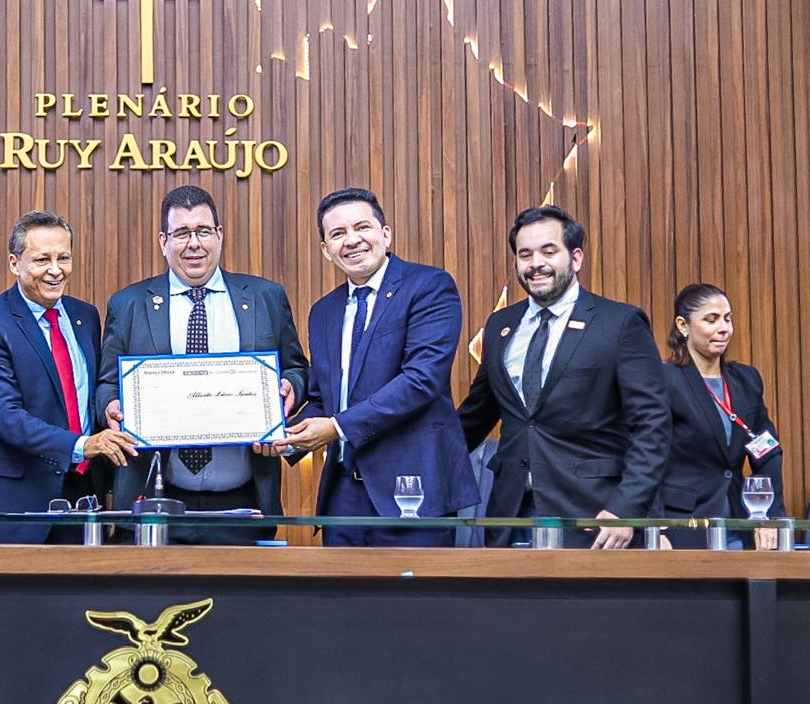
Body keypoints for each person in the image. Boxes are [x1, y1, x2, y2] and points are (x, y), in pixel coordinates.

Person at [96, 185, 309, 544]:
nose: (194, 243)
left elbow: (296, 368)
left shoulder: (265, 298)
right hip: (156, 499)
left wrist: (288, 391)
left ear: (219, 235)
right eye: (181, 233)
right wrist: (110, 406)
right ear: (164, 241)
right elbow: (106, 383)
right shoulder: (129, 304)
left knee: (241, 600)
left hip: (243, 503)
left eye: (203, 231)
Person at [269, 188, 479, 546]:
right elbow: (324, 397)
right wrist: (285, 438)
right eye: (337, 234)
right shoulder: (324, 312)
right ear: (325, 250)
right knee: (343, 601)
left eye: (361, 227)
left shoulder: (429, 287)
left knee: (410, 601)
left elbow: (420, 381)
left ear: (385, 233)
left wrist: (336, 427)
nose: (351, 240)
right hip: (342, 496)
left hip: (412, 490)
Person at [457, 205, 670, 548]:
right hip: (511, 517)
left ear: (576, 258)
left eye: (548, 251)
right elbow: (475, 416)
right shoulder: (500, 326)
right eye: (524, 254)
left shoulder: (619, 324)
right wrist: (413, 462)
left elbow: (653, 425)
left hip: (595, 518)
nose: (535, 263)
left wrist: (627, 508)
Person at [0, 212, 137, 543]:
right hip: (19, 505)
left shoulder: (85, 315)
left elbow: (87, 396)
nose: (56, 270)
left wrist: (109, 411)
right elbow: (4, 417)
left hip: (84, 497)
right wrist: (83, 445)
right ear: (15, 263)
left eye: (64, 258)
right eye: (42, 259)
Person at [660, 283, 782, 550]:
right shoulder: (664, 380)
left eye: (727, 319)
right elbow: (646, 456)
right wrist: (654, 526)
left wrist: (769, 517)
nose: (723, 328)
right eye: (711, 320)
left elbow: (767, 451)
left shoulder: (746, 379)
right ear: (683, 325)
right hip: (682, 526)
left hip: (740, 524)